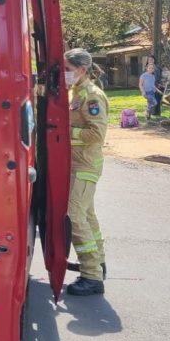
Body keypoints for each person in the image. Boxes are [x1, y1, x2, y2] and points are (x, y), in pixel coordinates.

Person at [64, 48, 109, 296]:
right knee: (88, 215)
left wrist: (63, 132)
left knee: (74, 215)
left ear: (81, 70)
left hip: (85, 166)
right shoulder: (77, 92)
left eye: (68, 70)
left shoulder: (92, 96)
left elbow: (96, 134)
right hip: (78, 164)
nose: (65, 74)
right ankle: (98, 263)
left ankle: (91, 276)